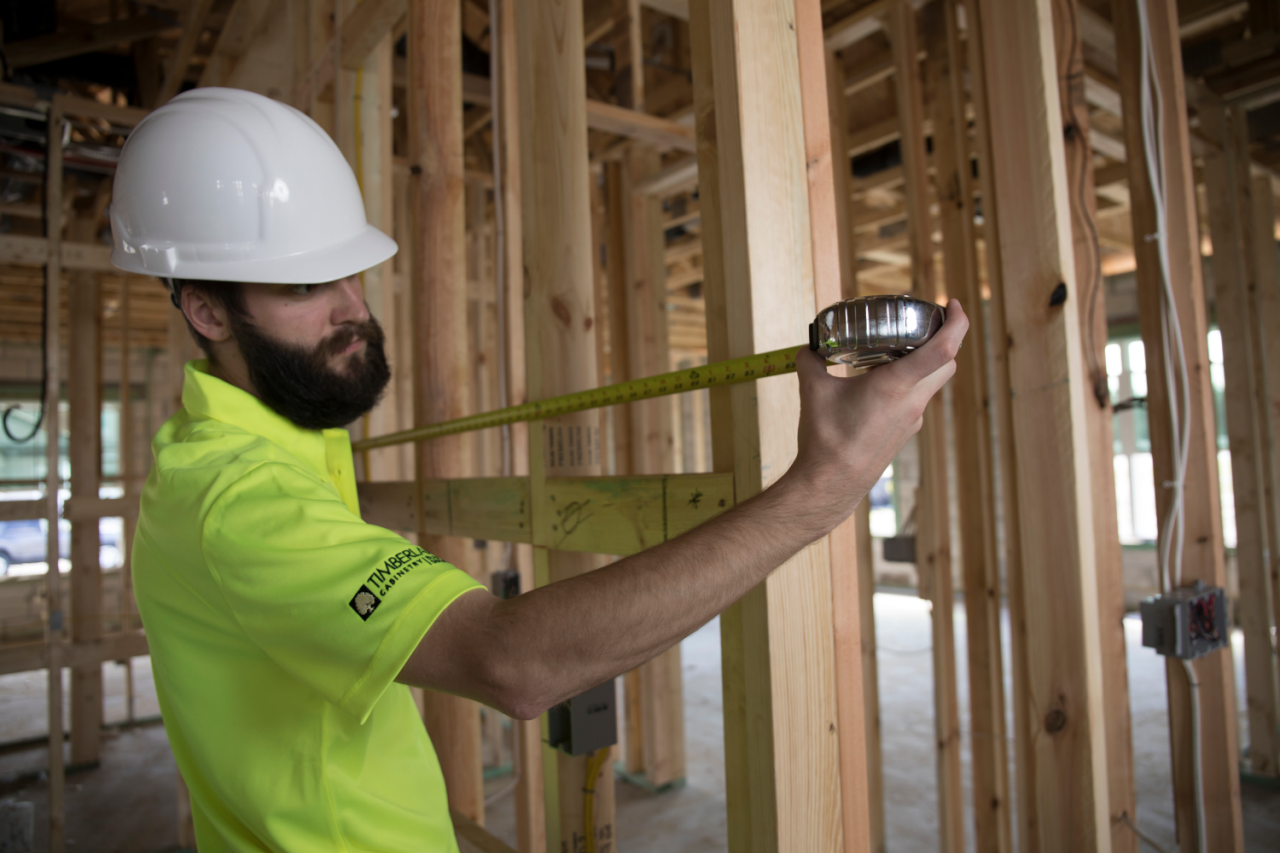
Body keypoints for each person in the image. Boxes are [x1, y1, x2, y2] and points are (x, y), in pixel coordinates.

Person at [117, 88, 967, 851]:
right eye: (304, 286)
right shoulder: (235, 497)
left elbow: (325, 763)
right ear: (205, 310)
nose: (353, 308)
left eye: (350, 270)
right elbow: (513, 663)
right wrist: (822, 490)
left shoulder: (284, 427)